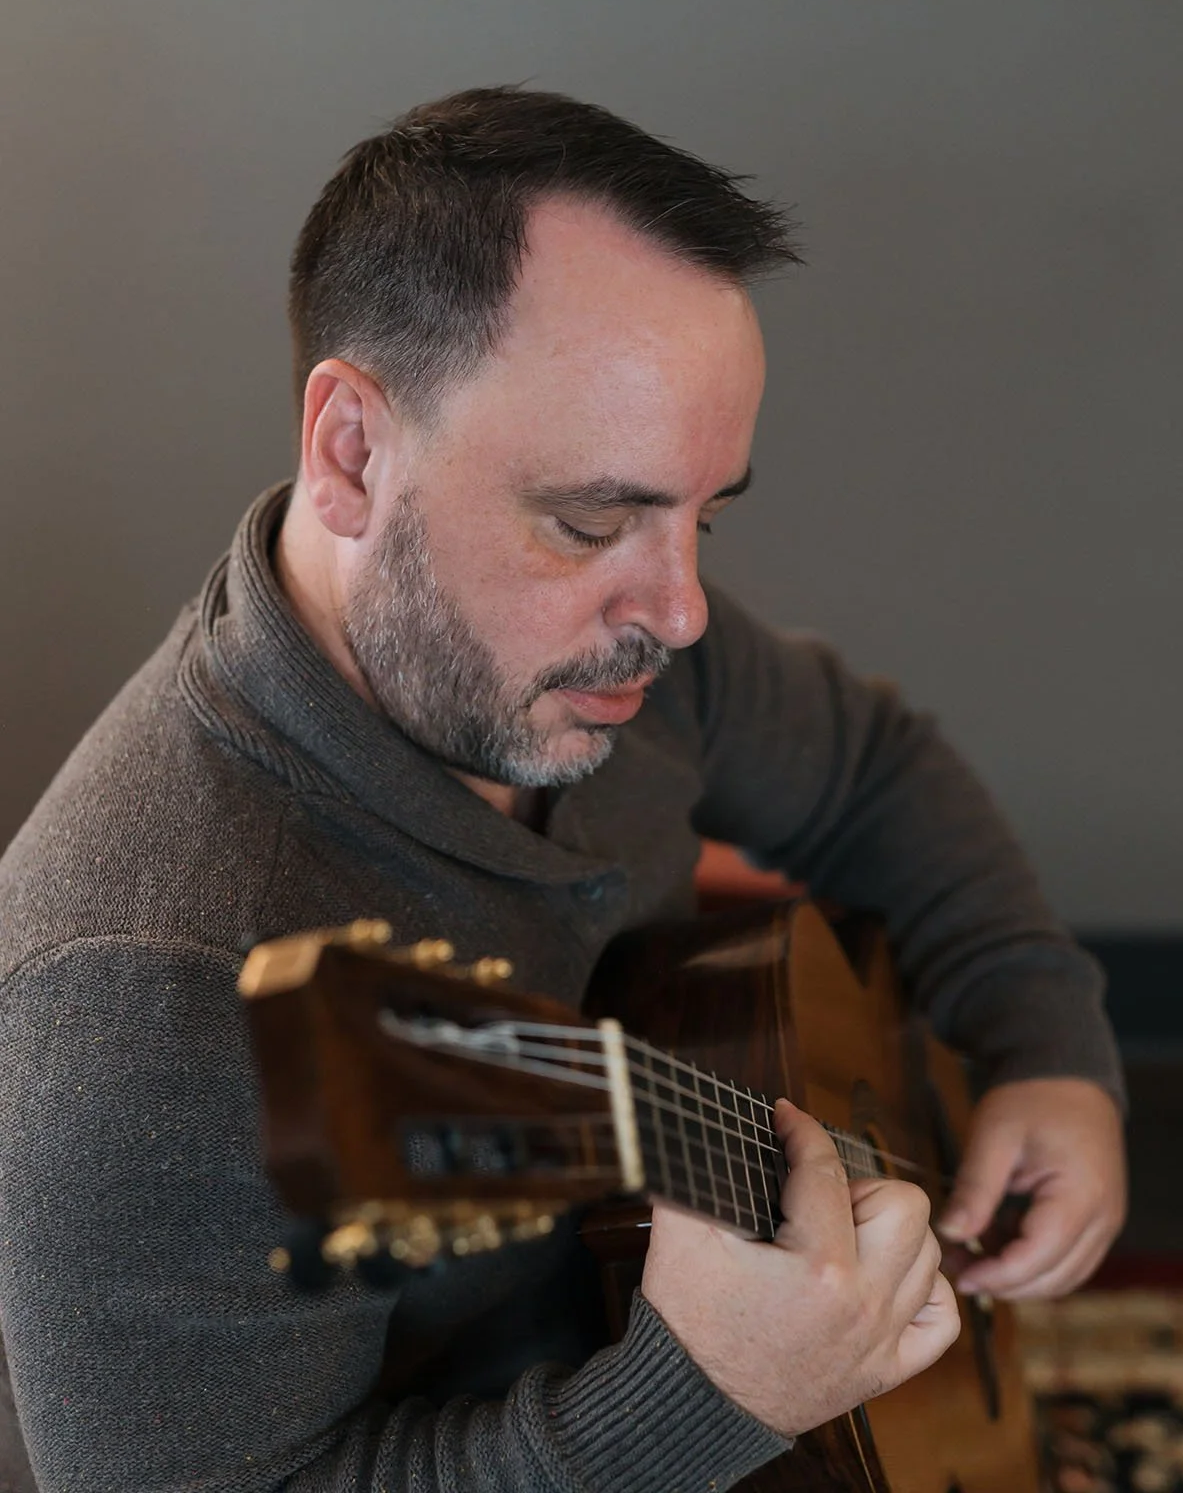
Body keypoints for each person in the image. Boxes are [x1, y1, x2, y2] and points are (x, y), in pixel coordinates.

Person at [0, 86, 1125, 1493]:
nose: (682, 609)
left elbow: (872, 768)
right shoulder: (149, 994)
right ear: (353, 452)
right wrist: (701, 1401)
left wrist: (1045, 1039)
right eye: (591, 519)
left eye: (703, 515)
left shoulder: (599, 652)